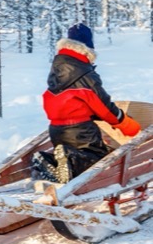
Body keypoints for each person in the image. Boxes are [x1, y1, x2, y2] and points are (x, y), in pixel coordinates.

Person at [32, 23, 141, 184]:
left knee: (68, 164)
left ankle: (48, 159)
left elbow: (70, 101)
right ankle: (71, 160)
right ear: (87, 48)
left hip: (56, 129)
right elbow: (103, 106)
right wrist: (124, 123)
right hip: (81, 131)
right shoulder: (84, 73)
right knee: (98, 161)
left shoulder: (58, 69)